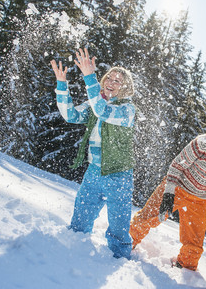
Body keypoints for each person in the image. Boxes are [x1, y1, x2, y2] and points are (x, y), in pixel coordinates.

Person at [129, 122, 206, 270]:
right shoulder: (204, 143)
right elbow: (177, 165)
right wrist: (169, 192)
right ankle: (124, 243)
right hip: (177, 185)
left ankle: (183, 270)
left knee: (194, 247)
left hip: (200, 200)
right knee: (147, 218)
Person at [51, 48, 136, 259]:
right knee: (81, 217)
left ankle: (119, 262)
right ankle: (74, 252)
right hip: (94, 170)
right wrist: (62, 84)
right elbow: (69, 115)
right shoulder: (95, 104)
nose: (112, 82)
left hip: (118, 174)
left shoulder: (127, 109)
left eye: (118, 81)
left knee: (118, 224)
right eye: (110, 78)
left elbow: (103, 112)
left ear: (125, 89)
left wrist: (89, 77)